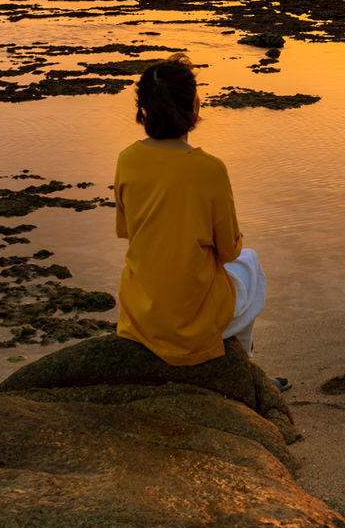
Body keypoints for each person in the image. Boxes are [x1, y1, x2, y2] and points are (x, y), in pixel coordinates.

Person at [112, 56, 265, 365]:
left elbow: (125, 230)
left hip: (140, 312)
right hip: (192, 316)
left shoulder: (127, 160)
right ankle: (244, 366)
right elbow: (230, 251)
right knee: (251, 265)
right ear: (193, 106)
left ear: (144, 109)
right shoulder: (210, 169)